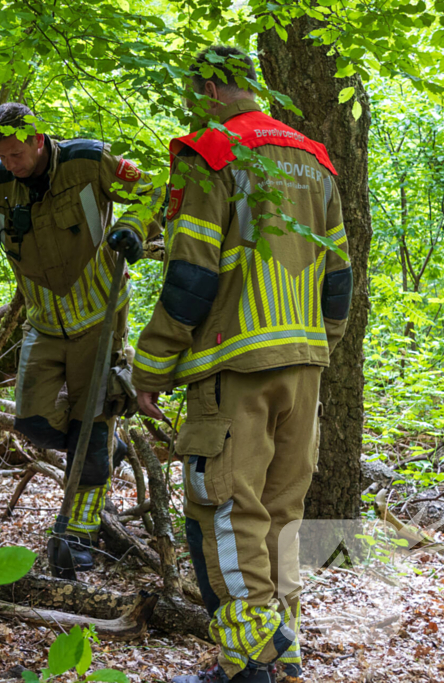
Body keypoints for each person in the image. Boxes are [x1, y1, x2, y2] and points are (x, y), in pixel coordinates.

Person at [132, 46, 352, 683]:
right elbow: (337, 276)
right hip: (304, 362)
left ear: (208, 89)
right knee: (284, 515)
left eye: (194, 90)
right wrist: (318, 344)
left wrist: (152, 369)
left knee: (226, 509)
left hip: (236, 364)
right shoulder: (315, 160)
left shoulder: (212, 155)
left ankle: (253, 660)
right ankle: (279, 658)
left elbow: (191, 277)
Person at [0, 103, 164, 570]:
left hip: (98, 319)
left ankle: (77, 539)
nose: (10, 163)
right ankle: (104, 442)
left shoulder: (88, 161)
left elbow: (152, 190)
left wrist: (131, 226)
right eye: (2, 156)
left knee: (90, 424)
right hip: (43, 323)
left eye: (16, 154)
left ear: (38, 140)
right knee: (35, 422)